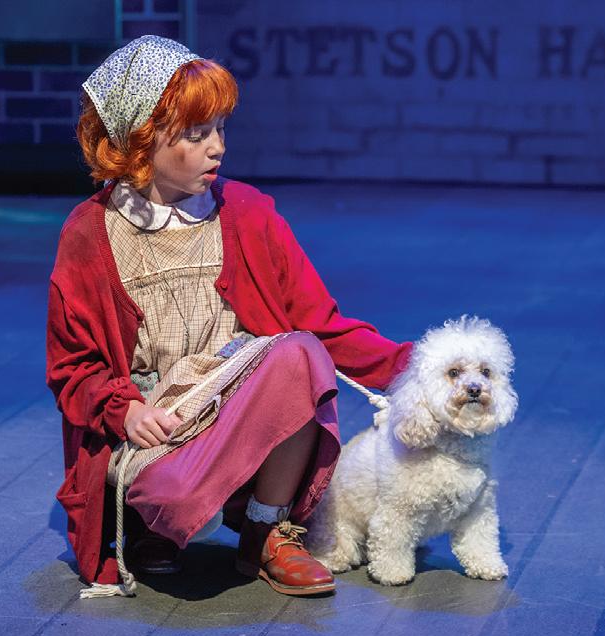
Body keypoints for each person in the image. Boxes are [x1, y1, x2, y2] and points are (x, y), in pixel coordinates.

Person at [46, 35, 412, 598]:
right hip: (161, 425)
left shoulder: (248, 213)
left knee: (300, 352)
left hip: (236, 406)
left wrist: (416, 368)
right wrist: (126, 410)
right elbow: (72, 368)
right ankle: (151, 525)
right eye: (196, 134)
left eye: (220, 129)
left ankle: (266, 530)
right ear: (141, 140)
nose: (217, 147)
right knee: (174, 499)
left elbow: (321, 324)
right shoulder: (89, 234)